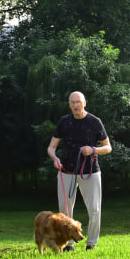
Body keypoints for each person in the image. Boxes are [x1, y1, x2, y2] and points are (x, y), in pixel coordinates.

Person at [47, 91, 112, 250]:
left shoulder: (95, 122)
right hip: (66, 171)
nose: (75, 105)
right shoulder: (64, 122)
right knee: (64, 210)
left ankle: (91, 244)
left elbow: (108, 147)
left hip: (90, 171)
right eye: (72, 102)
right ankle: (69, 243)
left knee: (95, 209)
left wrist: (93, 150)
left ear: (85, 103)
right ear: (69, 105)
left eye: (78, 102)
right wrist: (55, 158)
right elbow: (51, 147)